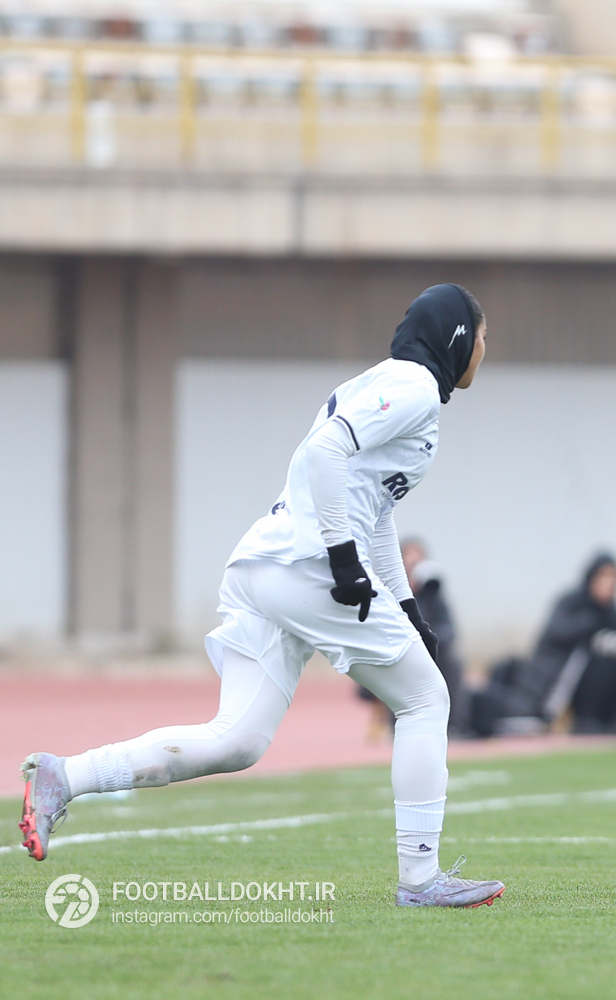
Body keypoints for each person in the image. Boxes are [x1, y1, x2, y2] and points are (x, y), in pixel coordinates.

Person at [19, 284, 505, 908]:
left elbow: (376, 510)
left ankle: (64, 775)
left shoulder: (387, 384)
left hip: (265, 564)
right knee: (425, 699)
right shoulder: (412, 387)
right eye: (483, 337)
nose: (485, 350)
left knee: (237, 740)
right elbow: (324, 453)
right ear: (458, 338)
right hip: (307, 565)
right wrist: (342, 559)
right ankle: (420, 880)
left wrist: (408, 609)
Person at [473, 553, 616, 737]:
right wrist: (590, 624)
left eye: (614, 577)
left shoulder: (612, 612)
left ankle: (608, 721)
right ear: (591, 577)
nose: (610, 583)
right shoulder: (571, 602)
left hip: (582, 685)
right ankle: (584, 719)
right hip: (550, 686)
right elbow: (557, 634)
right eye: (604, 576)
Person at [355, 539, 469, 739]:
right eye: (409, 561)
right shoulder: (384, 590)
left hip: (429, 651)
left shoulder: (433, 592)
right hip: (396, 650)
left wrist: (430, 639)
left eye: (419, 561)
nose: (414, 566)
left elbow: (449, 629)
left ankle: (453, 725)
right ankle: (397, 721)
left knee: (454, 662)